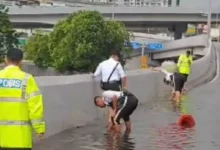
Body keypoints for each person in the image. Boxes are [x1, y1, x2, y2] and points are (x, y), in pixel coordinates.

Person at [0, 48, 46, 150]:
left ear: (6, 60)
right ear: (21, 62)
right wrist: (39, 128)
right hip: (20, 139)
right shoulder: (27, 79)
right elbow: (35, 106)